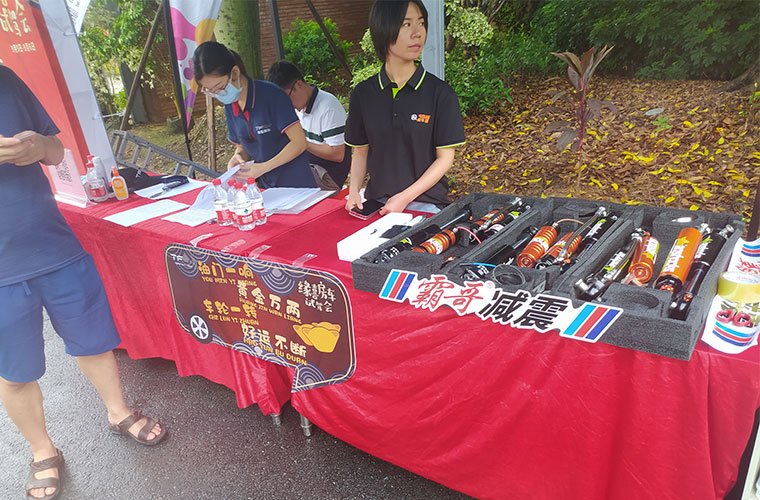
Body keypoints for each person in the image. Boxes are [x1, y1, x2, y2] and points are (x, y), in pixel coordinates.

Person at [0, 65, 167, 500]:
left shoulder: (6, 79)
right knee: (15, 373)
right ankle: (42, 450)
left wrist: (38, 146)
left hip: (55, 246)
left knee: (93, 342)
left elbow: (56, 151)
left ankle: (118, 411)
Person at [344, 0, 465, 215]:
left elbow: (445, 158)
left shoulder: (440, 94)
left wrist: (404, 198)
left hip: (427, 206)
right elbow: (360, 151)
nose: (417, 33)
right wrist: (354, 192)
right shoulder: (363, 94)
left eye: (421, 23)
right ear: (384, 29)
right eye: (406, 24)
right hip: (377, 205)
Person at [193, 41, 316, 189]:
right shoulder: (230, 105)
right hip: (264, 187)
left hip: (296, 185)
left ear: (235, 73)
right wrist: (239, 156)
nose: (218, 94)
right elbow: (242, 144)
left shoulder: (271, 95)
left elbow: (299, 143)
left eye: (219, 87)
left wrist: (264, 167)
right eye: (210, 91)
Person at [266, 60, 350, 190]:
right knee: (267, 173)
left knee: (279, 178)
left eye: (286, 99)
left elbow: (338, 154)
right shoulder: (299, 107)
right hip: (306, 165)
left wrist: (301, 143)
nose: (286, 105)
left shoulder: (328, 108)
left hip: (327, 175)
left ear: (299, 85)